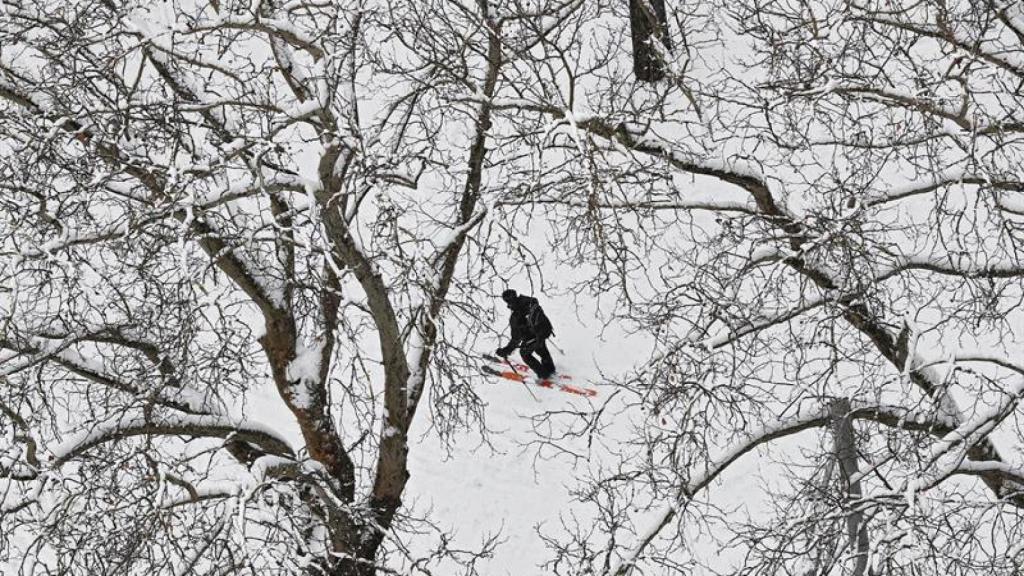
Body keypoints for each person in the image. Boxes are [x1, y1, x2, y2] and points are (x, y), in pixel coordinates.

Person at [495, 289, 556, 380]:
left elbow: (516, 339)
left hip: (532, 337)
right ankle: (550, 368)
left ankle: (543, 375)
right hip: (543, 331)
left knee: (524, 353)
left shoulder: (515, 317)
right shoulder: (530, 302)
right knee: (541, 349)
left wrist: (506, 351)